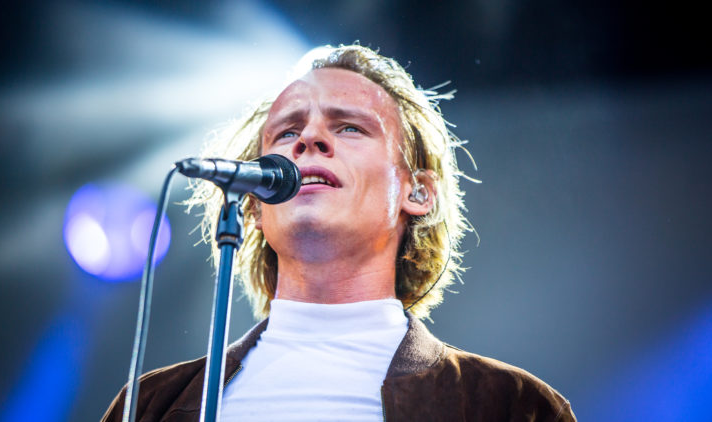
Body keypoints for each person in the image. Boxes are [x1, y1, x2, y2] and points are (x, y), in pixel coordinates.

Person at [102, 45, 576, 421]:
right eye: (287, 133)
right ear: (252, 203)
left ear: (418, 191)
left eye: (349, 127)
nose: (309, 138)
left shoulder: (510, 406)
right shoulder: (150, 407)